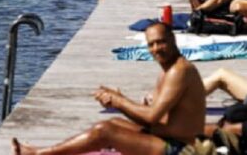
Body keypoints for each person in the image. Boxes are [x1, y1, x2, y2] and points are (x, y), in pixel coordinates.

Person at [11, 22, 206, 155]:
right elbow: (157, 118)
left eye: (161, 42)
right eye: (151, 45)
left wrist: (119, 101)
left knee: (105, 131)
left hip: (182, 149)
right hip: (170, 137)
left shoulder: (179, 71)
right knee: (115, 122)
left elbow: (152, 118)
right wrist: (120, 101)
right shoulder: (170, 69)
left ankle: (40, 153)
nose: (156, 48)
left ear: (173, 40)